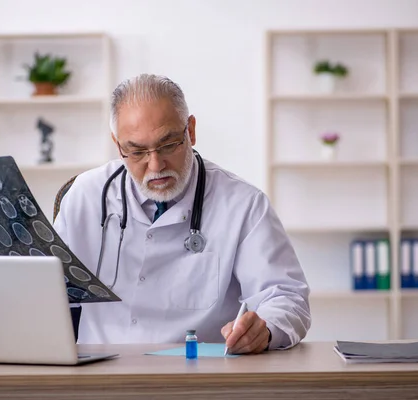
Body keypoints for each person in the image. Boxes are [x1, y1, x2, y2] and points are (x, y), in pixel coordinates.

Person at [53, 74, 311, 354]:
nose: (155, 165)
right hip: (100, 377)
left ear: (191, 130)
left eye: (167, 145)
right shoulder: (85, 195)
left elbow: (287, 297)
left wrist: (266, 328)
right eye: (137, 152)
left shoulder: (244, 204)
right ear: (118, 146)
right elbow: (47, 292)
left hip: (197, 378)